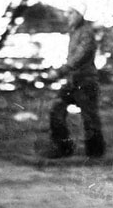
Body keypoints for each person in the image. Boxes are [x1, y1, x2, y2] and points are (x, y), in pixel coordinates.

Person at [44, 9, 104, 159]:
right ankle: (63, 147)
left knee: (89, 117)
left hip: (86, 81)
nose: (67, 16)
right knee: (56, 109)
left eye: (71, 13)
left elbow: (80, 56)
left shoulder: (86, 33)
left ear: (80, 14)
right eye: (67, 13)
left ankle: (95, 152)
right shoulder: (75, 32)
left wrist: (60, 71)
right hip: (73, 81)